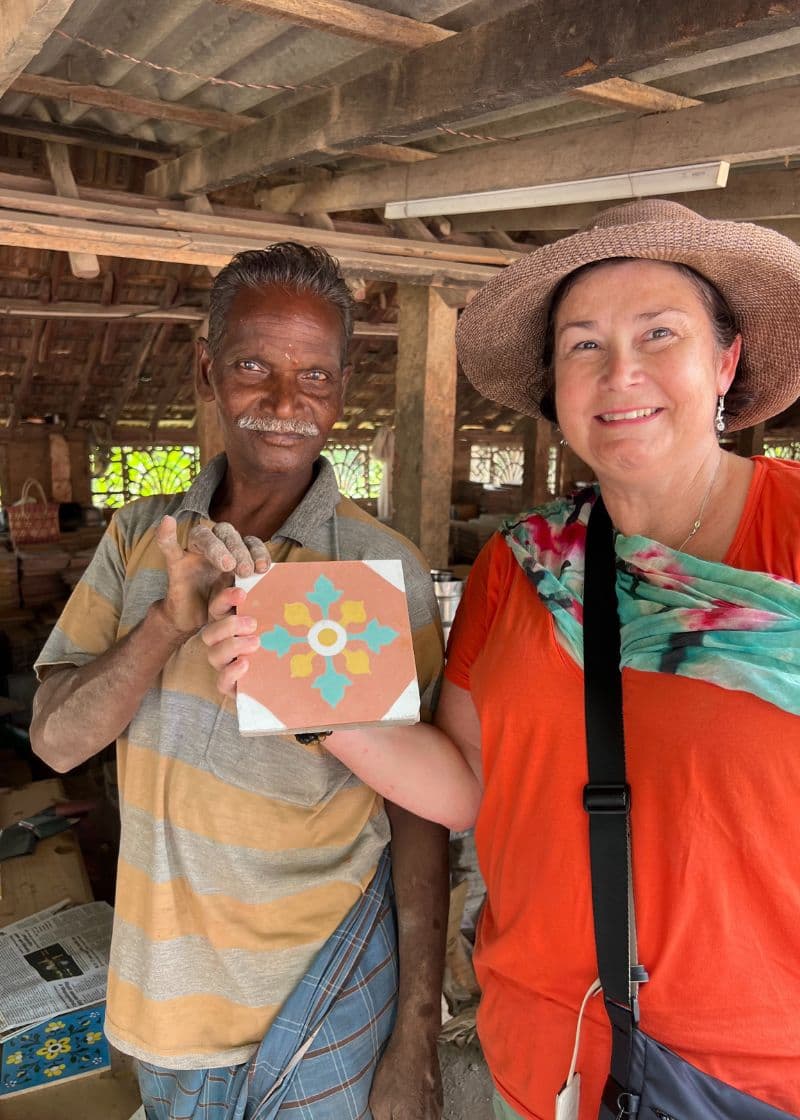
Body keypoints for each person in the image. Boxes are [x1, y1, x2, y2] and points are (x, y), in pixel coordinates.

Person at [207, 201, 800, 1120]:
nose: (620, 372)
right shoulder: (521, 565)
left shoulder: (791, 534)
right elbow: (469, 784)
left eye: (659, 334)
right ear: (555, 385)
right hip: (548, 1056)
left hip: (759, 1068)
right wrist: (301, 695)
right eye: (583, 345)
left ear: (725, 360)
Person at [31, 243, 448, 1120]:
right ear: (208, 370)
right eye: (256, 366)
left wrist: (415, 1036)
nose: (287, 405)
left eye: (316, 376)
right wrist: (165, 624)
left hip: (325, 986)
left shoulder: (377, 569)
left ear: (342, 386)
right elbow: (56, 739)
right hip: (167, 1004)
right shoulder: (141, 537)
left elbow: (420, 812)